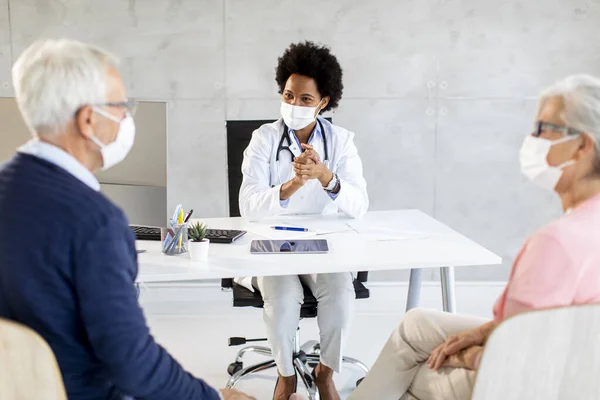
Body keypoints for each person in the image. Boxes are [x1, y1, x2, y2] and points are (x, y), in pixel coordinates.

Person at [0, 39, 254, 400]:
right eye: (121, 106)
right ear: (88, 120)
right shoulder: (94, 221)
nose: (126, 118)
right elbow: (132, 364)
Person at [348, 74, 600, 400]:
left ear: (582, 146)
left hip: (535, 383)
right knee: (417, 324)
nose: (532, 139)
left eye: (544, 129)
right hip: (578, 366)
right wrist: (482, 333)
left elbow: (516, 358)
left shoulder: (556, 244)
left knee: (416, 372)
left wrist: (468, 356)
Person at [238, 41, 369, 400]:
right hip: (272, 244)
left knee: (341, 295)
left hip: (322, 246)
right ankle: (285, 375)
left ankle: (325, 372)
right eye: (289, 95)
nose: (294, 105)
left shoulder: (341, 142)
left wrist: (326, 176)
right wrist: (294, 183)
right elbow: (248, 206)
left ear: (323, 102)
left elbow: (358, 205)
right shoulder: (264, 139)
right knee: (281, 302)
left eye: (306, 99)